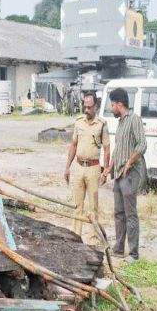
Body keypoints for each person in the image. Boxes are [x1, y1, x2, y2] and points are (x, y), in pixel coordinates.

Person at [102, 88, 147, 263]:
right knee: (119, 213)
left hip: (130, 174)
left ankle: (134, 254)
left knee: (130, 214)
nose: (111, 108)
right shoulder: (120, 123)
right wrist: (108, 169)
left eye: (112, 105)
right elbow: (117, 151)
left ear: (119, 104)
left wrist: (129, 162)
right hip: (119, 174)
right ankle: (119, 248)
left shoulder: (134, 119)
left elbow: (142, 145)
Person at [64, 93, 110, 245]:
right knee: (77, 205)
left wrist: (105, 172)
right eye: (85, 106)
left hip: (93, 168)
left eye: (90, 107)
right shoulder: (79, 122)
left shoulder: (102, 124)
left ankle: (91, 241)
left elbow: (107, 149)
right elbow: (73, 145)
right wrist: (67, 167)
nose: (87, 109)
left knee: (93, 207)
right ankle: (76, 237)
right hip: (78, 167)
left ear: (96, 107)